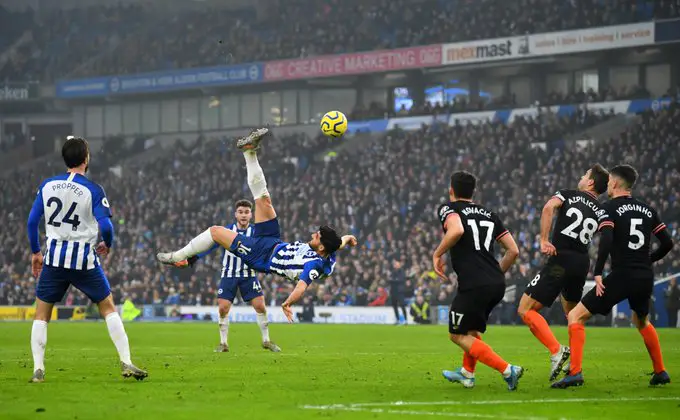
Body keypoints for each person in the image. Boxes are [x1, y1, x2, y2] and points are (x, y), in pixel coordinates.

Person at [156, 128, 358, 322]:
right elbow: (337, 244)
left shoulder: (315, 265)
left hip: (261, 255)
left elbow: (302, 286)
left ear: (321, 246)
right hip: (273, 241)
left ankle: (177, 257)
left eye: (317, 236)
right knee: (263, 199)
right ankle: (249, 151)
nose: (313, 234)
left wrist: (288, 303)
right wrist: (347, 238)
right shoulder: (328, 250)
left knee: (215, 232)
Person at [26, 136, 147, 383]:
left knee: (41, 315)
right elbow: (107, 226)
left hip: (55, 259)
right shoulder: (93, 190)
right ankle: (126, 361)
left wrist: (36, 252)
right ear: (86, 158)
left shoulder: (47, 185)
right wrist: (108, 244)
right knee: (108, 308)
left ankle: (38, 369)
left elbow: (31, 222)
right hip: (84, 260)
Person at [552, 165, 673, 389]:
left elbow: (606, 238)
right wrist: (648, 260)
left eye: (608, 183)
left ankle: (575, 373)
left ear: (615, 184)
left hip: (622, 274)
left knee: (576, 315)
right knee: (641, 320)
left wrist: (598, 272)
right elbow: (668, 243)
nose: (606, 186)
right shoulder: (647, 209)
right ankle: (660, 371)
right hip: (645, 276)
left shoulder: (609, 208)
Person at [517, 164, 609, 381]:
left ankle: (556, 350)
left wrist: (543, 239)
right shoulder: (602, 210)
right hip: (581, 262)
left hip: (561, 260)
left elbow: (548, 208)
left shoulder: (569, 195)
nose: (581, 176)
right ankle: (576, 369)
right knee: (573, 316)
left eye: (585, 174)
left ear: (591, 182)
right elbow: (608, 235)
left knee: (525, 309)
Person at [433, 171, 523, 391]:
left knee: (456, 334)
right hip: (495, 282)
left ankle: (507, 369)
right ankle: (467, 374)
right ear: (473, 192)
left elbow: (457, 230)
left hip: (474, 284)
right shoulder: (489, 214)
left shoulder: (449, 209)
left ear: (451, 190)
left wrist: (437, 255)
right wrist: (495, 275)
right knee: (471, 330)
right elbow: (513, 250)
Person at [174, 199, 281, 352]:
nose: (243, 215)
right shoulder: (227, 231)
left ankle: (266, 340)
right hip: (229, 274)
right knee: (223, 308)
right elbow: (209, 247)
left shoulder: (256, 233)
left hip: (248, 274)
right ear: (235, 214)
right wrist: (191, 259)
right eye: (240, 212)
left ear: (251, 215)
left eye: (246, 212)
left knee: (260, 306)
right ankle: (223, 343)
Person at [389, 260, 408, 325]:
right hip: (393, 292)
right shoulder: (393, 272)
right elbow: (390, 280)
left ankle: (405, 320)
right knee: (395, 306)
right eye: (395, 264)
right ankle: (397, 320)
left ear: (399, 265)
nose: (395, 265)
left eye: (397, 264)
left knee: (402, 305)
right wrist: (395, 280)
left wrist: (394, 280)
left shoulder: (402, 271)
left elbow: (401, 280)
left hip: (400, 292)